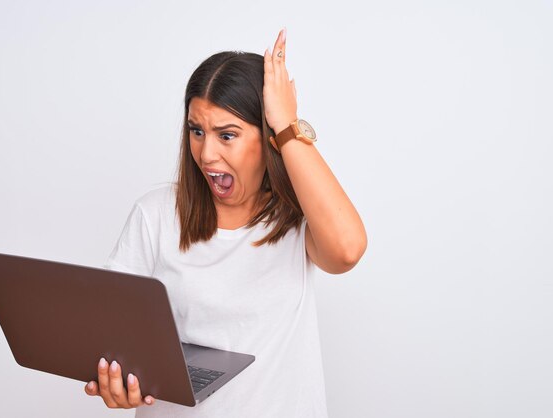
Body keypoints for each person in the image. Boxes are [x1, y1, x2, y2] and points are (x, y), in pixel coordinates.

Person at [83, 28, 367, 417]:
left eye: (227, 135)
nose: (207, 153)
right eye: (196, 131)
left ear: (266, 137)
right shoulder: (156, 214)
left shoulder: (296, 218)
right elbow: (108, 331)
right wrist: (114, 377)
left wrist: (286, 123)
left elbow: (347, 251)